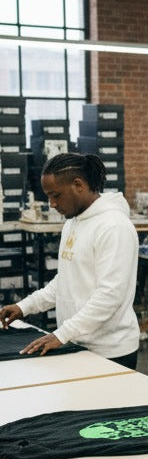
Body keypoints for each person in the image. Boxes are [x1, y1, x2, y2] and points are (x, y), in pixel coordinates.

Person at [0, 153, 140, 368]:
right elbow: (65, 280)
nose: (52, 204)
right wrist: (24, 306)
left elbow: (110, 296)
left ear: (78, 185)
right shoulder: (73, 222)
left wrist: (61, 334)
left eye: (56, 195)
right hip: (76, 343)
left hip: (110, 350)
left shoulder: (114, 227)